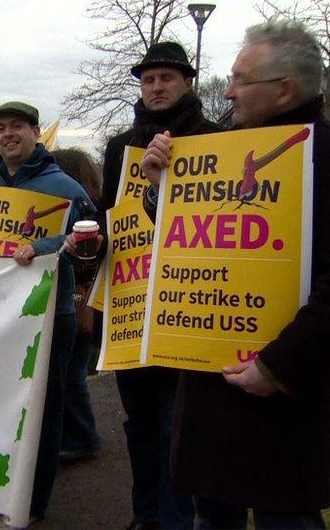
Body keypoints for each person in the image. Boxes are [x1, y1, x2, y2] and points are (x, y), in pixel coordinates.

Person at [139, 20, 330, 528]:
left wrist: (275, 367)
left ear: (284, 90)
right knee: (213, 515)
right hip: (208, 387)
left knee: (285, 518)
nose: (226, 91)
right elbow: (180, 239)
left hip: (285, 396)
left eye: (238, 79)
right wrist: (158, 184)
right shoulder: (214, 151)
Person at [0, 102, 98, 529]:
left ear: (36, 132)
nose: (7, 134)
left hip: (52, 312)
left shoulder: (66, 186)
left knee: (44, 410)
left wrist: (45, 245)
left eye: (16, 126)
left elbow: (91, 243)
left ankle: (30, 504)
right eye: (0, 127)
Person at [100, 41, 223, 530]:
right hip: (130, 305)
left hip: (187, 304)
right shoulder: (119, 147)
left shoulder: (216, 139)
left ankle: (177, 520)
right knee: (141, 425)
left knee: (178, 426)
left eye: (167, 78)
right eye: (149, 79)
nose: (156, 87)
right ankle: (145, 514)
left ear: (187, 82)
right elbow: (112, 221)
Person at [51, 148, 103, 463]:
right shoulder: (94, 208)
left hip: (77, 302)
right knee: (74, 374)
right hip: (88, 303)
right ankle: (80, 435)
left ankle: (83, 438)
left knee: (71, 375)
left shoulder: (80, 217)